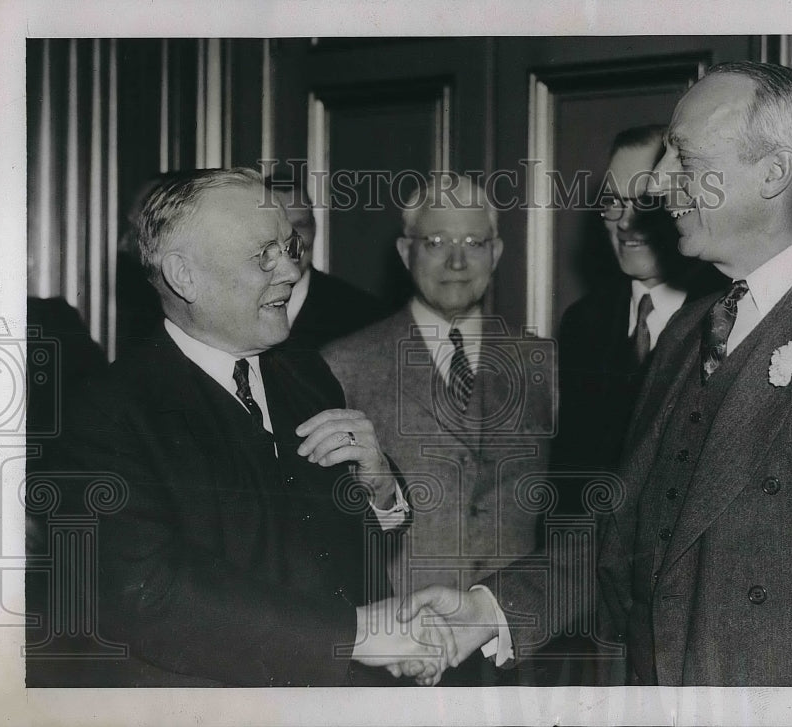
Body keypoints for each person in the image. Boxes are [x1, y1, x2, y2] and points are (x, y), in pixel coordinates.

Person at [397, 61, 792, 686]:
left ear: (774, 173)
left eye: (682, 156)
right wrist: (487, 610)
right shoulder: (689, 330)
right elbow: (624, 534)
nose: (655, 182)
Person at [36, 167, 456, 686]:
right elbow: (149, 593)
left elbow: (330, 550)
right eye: (264, 256)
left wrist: (381, 490)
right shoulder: (106, 412)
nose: (291, 272)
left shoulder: (305, 372)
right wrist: (357, 635)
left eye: (290, 247)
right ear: (183, 275)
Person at [321, 172, 556, 685]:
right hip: (402, 645)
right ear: (406, 252)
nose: (456, 261)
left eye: (474, 243)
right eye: (436, 243)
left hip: (514, 646)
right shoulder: (344, 364)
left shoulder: (541, 361)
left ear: (496, 253)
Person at [555, 125, 725, 495]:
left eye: (644, 202)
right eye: (613, 202)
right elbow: (568, 475)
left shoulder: (726, 314)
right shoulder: (581, 323)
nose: (625, 223)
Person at [263, 174, 388, 350]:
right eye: (276, 226)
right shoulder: (232, 310)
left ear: (314, 227)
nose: (292, 240)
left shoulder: (363, 315)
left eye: (301, 224)